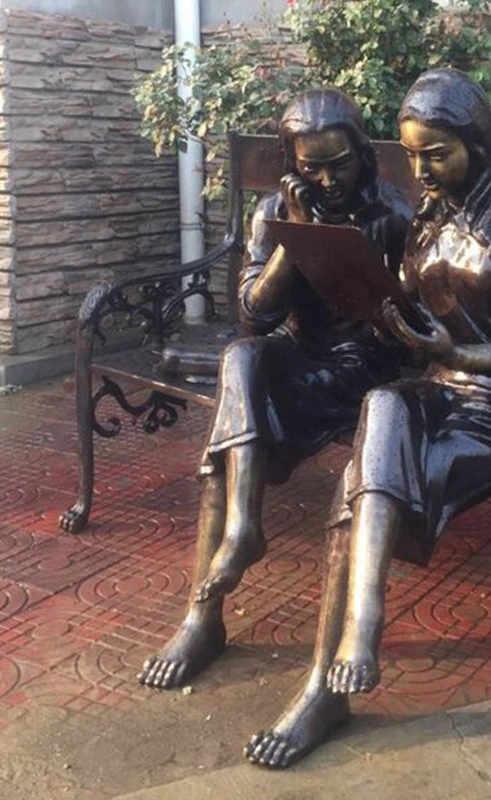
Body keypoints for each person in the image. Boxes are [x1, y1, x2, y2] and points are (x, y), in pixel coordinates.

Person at [246, 68, 491, 769]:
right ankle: (343, 651)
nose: (421, 171)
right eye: (413, 156)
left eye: (436, 155)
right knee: (382, 408)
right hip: (437, 391)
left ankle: (330, 676)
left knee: (361, 481)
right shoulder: (428, 217)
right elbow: (414, 316)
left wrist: (459, 351)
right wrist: (377, 305)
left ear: (477, 145)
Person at [138, 88, 411, 690]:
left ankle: (203, 612)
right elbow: (253, 316)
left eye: (339, 163)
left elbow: (408, 322)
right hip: (297, 358)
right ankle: (237, 540)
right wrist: (298, 235)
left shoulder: (392, 214)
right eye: (311, 166)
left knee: (227, 449)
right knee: (241, 359)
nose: (327, 179)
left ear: (363, 155)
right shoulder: (274, 210)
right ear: (292, 162)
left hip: (363, 370)